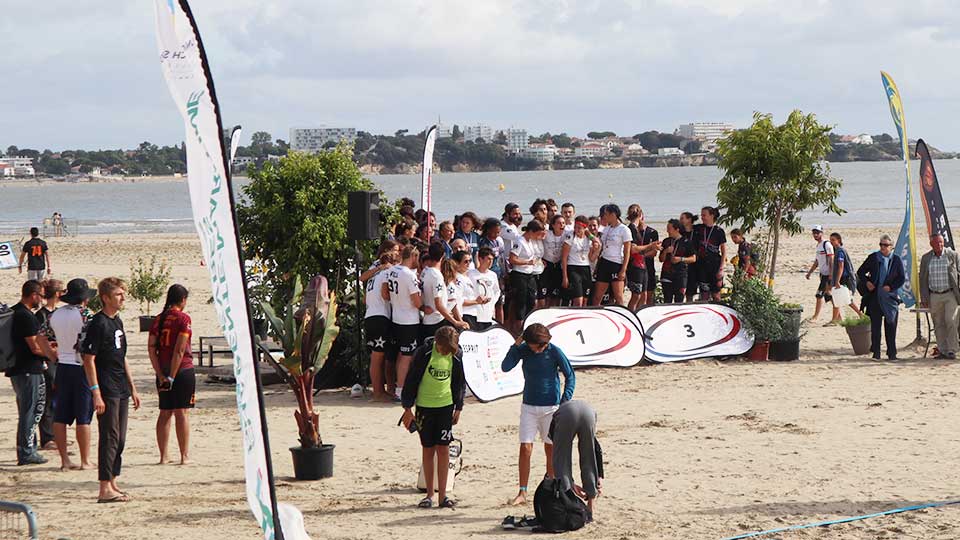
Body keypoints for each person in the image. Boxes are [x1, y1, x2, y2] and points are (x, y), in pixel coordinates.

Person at [501, 323, 575, 506]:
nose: (540, 349)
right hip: (529, 406)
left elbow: (570, 375)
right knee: (525, 448)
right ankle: (522, 492)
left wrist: (565, 400)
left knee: (550, 449)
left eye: (542, 346)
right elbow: (505, 366)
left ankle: (551, 486)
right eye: (537, 346)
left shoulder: (554, 351)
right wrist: (516, 344)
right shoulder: (524, 349)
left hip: (551, 406)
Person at [81, 277, 141, 502]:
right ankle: (104, 487)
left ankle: (113, 480)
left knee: (120, 437)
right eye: (118, 294)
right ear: (105, 298)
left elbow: (122, 357)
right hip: (106, 387)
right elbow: (88, 359)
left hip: (121, 386)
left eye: (123, 293)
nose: (123, 297)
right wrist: (96, 391)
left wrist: (132, 387)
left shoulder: (118, 321)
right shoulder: (98, 323)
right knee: (109, 436)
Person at [400, 326, 466, 509]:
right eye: (445, 349)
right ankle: (429, 494)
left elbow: (459, 382)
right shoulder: (424, 352)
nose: (447, 352)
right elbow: (411, 378)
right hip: (424, 407)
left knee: (443, 450)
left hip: (445, 406)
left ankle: (443, 496)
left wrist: (458, 407)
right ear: (438, 342)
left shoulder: (456, 354)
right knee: (428, 450)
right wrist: (407, 408)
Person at [47, 278, 97, 471]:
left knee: (61, 415)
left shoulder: (56, 314)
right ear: (84, 298)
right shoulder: (85, 314)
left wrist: (53, 356)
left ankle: (64, 460)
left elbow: (43, 336)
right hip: (80, 364)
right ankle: (85, 460)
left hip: (63, 365)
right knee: (83, 415)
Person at [6, 280, 56, 465]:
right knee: (31, 410)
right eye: (41, 296)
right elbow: (34, 347)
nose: (42, 300)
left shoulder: (15, 312)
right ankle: (27, 452)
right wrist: (52, 354)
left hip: (19, 369)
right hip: (28, 369)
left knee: (29, 409)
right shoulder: (25, 316)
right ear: (33, 295)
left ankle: (28, 448)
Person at [148, 285, 195, 465]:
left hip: (163, 368)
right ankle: (184, 456)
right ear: (182, 299)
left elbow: (151, 348)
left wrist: (160, 373)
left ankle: (163, 456)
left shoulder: (158, 319)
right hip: (181, 370)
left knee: (165, 412)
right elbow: (180, 349)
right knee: (182, 412)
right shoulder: (183, 319)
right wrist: (172, 377)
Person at [383, 246, 428, 400]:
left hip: (396, 316)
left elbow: (385, 293)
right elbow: (416, 300)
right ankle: (401, 390)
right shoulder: (408, 275)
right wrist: (424, 308)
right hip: (408, 320)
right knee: (407, 355)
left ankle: (399, 387)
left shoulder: (392, 271)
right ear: (413, 256)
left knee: (401, 354)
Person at [549, 400, 604, 518]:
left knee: (561, 459)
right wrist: (599, 476)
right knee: (588, 454)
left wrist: (570, 484)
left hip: (567, 415)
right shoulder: (581, 409)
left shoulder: (555, 421)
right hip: (589, 412)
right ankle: (591, 504)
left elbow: (560, 458)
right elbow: (595, 449)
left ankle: (566, 500)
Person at [856, 235, 905, 361]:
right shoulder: (873, 257)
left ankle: (892, 354)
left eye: (885, 245)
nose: (883, 247)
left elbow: (901, 278)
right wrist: (867, 282)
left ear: (891, 247)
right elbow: (860, 271)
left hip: (890, 298)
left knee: (891, 326)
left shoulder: (896, 260)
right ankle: (876, 353)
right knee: (875, 328)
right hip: (875, 298)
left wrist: (891, 286)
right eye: (881, 244)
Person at [919, 233, 960, 359]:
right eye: (937, 243)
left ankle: (952, 350)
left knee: (951, 321)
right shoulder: (926, 258)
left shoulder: (952, 255)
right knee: (938, 323)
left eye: (941, 242)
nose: (940, 245)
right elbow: (923, 279)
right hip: (934, 295)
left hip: (950, 294)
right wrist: (924, 298)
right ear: (931, 244)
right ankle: (942, 350)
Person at [365, 249, 399, 402]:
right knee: (378, 357)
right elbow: (386, 294)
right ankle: (378, 392)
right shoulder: (387, 272)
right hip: (380, 316)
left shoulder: (374, 274)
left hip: (370, 315)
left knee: (376, 356)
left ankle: (379, 391)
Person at [36, 279, 64, 450]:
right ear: (58, 293)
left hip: (61, 358)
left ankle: (55, 434)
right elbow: (40, 341)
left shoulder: (59, 312)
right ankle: (47, 438)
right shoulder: (41, 315)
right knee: (47, 398)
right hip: (47, 360)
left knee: (57, 398)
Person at [508, 221, 546, 334]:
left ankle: (527, 324)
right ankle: (518, 329)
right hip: (519, 274)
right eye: (537, 234)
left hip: (529, 274)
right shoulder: (520, 241)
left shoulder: (530, 241)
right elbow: (512, 259)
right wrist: (527, 262)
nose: (538, 236)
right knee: (521, 302)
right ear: (531, 231)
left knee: (532, 300)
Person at [592, 204, 632, 307]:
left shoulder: (624, 229)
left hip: (616, 264)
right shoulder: (606, 229)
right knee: (597, 297)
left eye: (606, 214)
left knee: (618, 297)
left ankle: (622, 316)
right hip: (604, 263)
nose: (604, 217)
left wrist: (623, 270)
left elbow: (627, 252)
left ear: (613, 214)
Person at [626, 205, 659, 311]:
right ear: (640, 215)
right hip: (635, 265)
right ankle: (632, 315)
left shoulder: (636, 229)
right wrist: (651, 246)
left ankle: (641, 315)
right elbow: (633, 249)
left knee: (643, 295)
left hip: (642, 265)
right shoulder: (631, 228)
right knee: (636, 295)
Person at [561, 216, 599, 307]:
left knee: (585, 300)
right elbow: (564, 258)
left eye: (579, 228)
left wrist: (597, 248)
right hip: (573, 268)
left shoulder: (588, 238)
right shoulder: (571, 236)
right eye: (575, 227)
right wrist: (565, 276)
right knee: (578, 301)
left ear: (585, 228)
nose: (576, 229)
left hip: (586, 268)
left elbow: (591, 259)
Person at [828, 233, 863, 323]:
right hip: (843, 278)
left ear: (838, 240)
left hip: (844, 278)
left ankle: (835, 320)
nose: (831, 242)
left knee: (842, 298)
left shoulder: (840, 251)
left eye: (833, 240)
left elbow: (841, 267)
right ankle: (838, 319)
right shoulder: (837, 251)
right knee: (841, 298)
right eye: (830, 240)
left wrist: (837, 281)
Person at [463, 247, 500, 330]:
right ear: (480, 259)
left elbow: (497, 291)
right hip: (475, 312)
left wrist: (492, 301)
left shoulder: (493, 275)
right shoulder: (470, 274)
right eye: (488, 259)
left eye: (492, 259)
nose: (491, 262)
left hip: (488, 312)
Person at [660, 219, 695, 303]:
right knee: (667, 300)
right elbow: (661, 259)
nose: (667, 230)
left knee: (679, 301)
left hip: (681, 275)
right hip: (666, 274)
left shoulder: (687, 242)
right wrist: (665, 251)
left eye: (669, 228)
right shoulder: (666, 241)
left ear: (677, 229)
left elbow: (693, 258)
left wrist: (680, 259)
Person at [696, 207, 726, 302]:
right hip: (702, 266)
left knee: (716, 295)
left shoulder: (719, 231)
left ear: (711, 216)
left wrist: (721, 269)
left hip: (715, 265)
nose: (702, 217)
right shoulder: (699, 228)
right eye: (701, 215)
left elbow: (724, 251)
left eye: (704, 215)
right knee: (704, 295)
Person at [478, 218, 505, 323]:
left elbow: (501, 258)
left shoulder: (498, 241)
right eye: (494, 232)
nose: (496, 234)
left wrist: (504, 273)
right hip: (487, 274)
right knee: (489, 301)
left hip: (498, 273)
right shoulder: (483, 242)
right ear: (488, 230)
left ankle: (501, 326)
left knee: (500, 302)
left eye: (498, 232)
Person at [805, 225, 834, 322]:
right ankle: (838, 317)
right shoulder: (818, 246)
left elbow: (831, 259)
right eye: (814, 233)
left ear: (822, 233)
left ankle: (815, 317)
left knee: (819, 295)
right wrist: (810, 272)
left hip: (827, 275)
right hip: (822, 274)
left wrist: (830, 274)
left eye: (817, 232)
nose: (815, 235)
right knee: (829, 296)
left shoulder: (827, 244)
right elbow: (817, 261)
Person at [541, 215, 567, 307]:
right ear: (553, 225)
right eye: (559, 223)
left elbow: (585, 230)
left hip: (558, 266)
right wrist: (539, 259)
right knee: (545, 294)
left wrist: (592, 238)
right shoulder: (547, 234)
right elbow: (534, 240)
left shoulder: (567, 234)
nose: (562, 225)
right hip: (547, 265)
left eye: (563, 223)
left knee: (556, 294)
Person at [679, 212, 699, 302]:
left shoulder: (697, 231)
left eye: (682, 218)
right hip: (681, 264)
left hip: (694, 264)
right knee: (680, 290)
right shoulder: (680, 232)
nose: (680, 220)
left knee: (690, 291)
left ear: (689, 219)